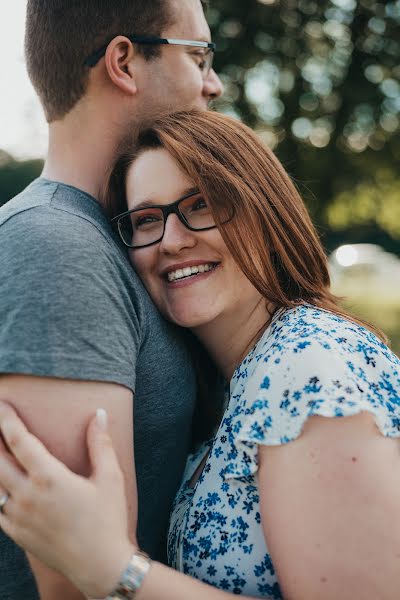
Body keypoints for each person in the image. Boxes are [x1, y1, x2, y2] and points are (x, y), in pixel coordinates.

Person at [1, 110, 399, 600]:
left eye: (202, 205)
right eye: (147, 219)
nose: (171, 240)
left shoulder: (309, 362)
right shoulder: (238, 380)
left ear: (265, 212)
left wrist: (110, 566)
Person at [0, 2, 223, 599]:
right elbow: (76, 584)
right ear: (124, 62)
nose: (214, 83)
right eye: (199, 56)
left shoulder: (117, 236)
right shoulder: (56, 249)